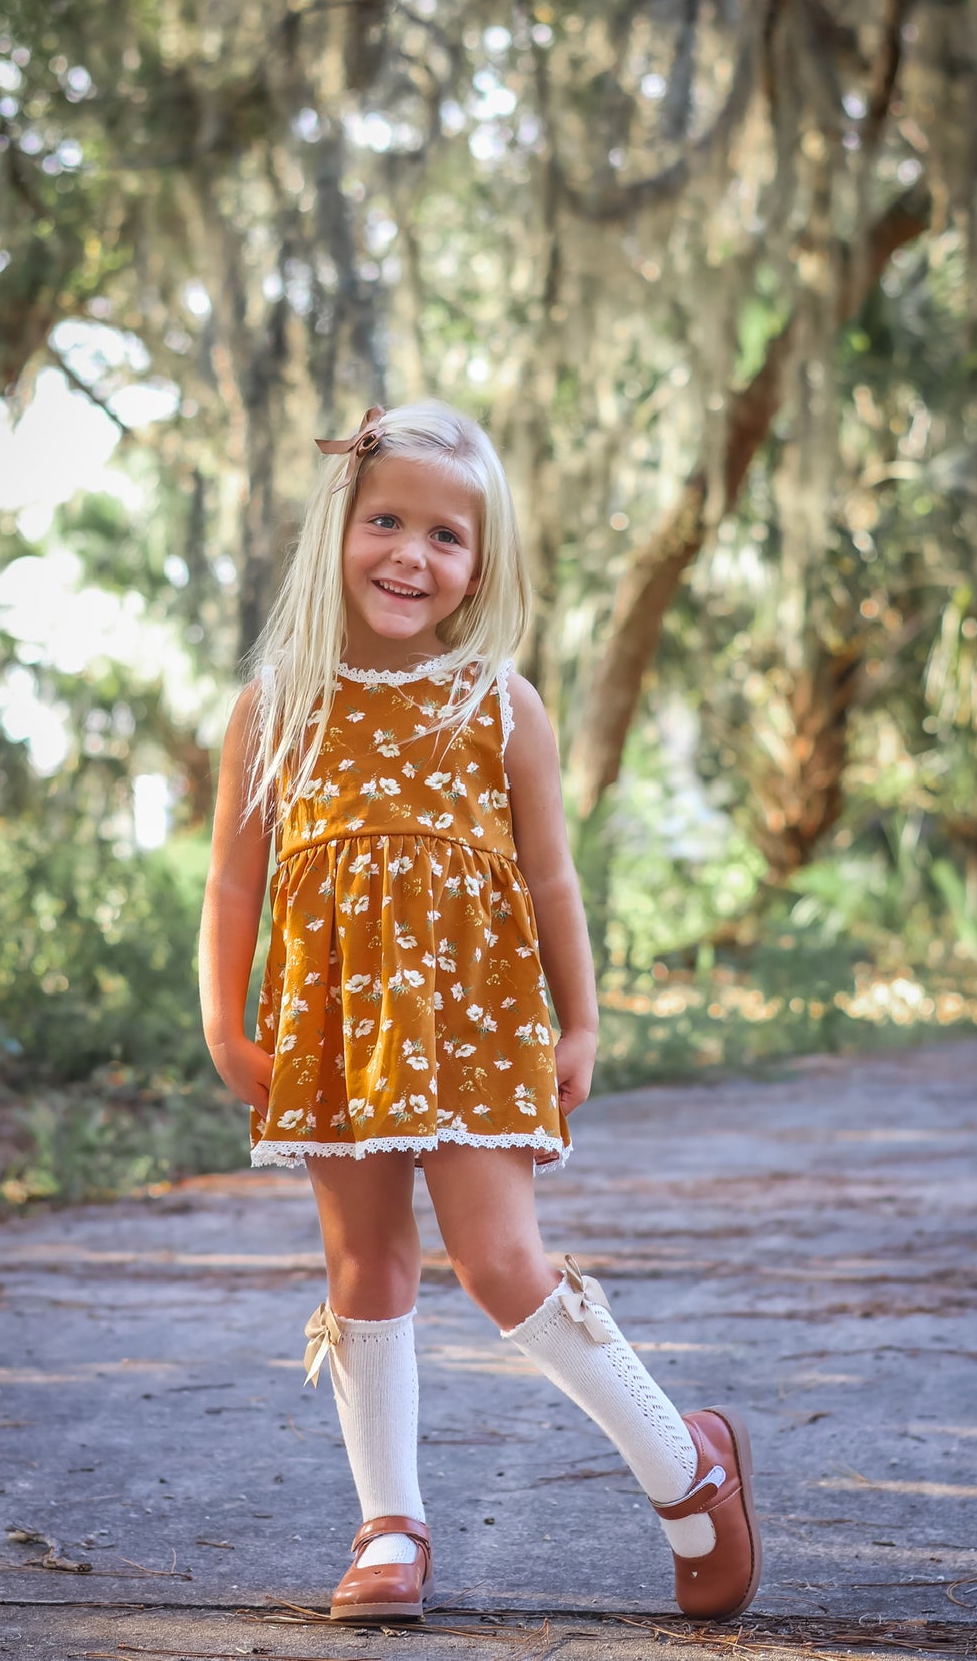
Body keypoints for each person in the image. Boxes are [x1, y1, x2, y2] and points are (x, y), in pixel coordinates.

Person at [199, 399, 761, 1623]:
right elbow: (235, 877)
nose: (411, 553)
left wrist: (582, 1021)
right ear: (338, 526)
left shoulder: (500, 705)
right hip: (336, 1026)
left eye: (446, 536)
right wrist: (224, 1022)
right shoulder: (273, 705)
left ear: (480, 564)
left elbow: (552, 875)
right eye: (387, 520)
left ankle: (688, 1469)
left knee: (500, 1261)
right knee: (363, 1259)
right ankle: (389, 1524)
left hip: (479, 1021)